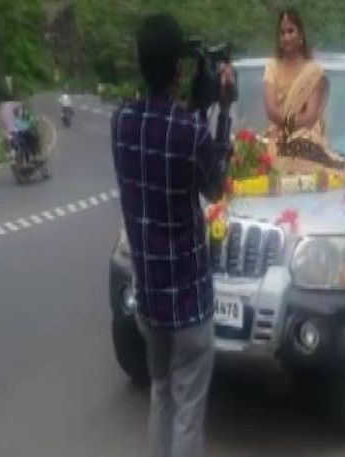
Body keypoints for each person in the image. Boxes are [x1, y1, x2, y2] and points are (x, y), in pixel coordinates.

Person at [110, 13, 234, 457]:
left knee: (161, 393)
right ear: (178, 70)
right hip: (190, 302)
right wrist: (221, 110)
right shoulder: (192, 131)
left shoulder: (120, 123)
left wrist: (195, 110)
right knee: (188, 411)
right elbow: (215, 185)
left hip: (149, 300)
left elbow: (162, 142)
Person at [262, 8, 342, 166]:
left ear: (301, 35)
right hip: (277, 133)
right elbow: (271, 110)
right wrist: (284, 132)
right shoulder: (271, 67)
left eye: (291, 31)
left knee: (301, 145)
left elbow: (310, 117)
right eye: (282, 33)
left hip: (307, 135)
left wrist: (289, 130)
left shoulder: (313, 71)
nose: (286, 37)